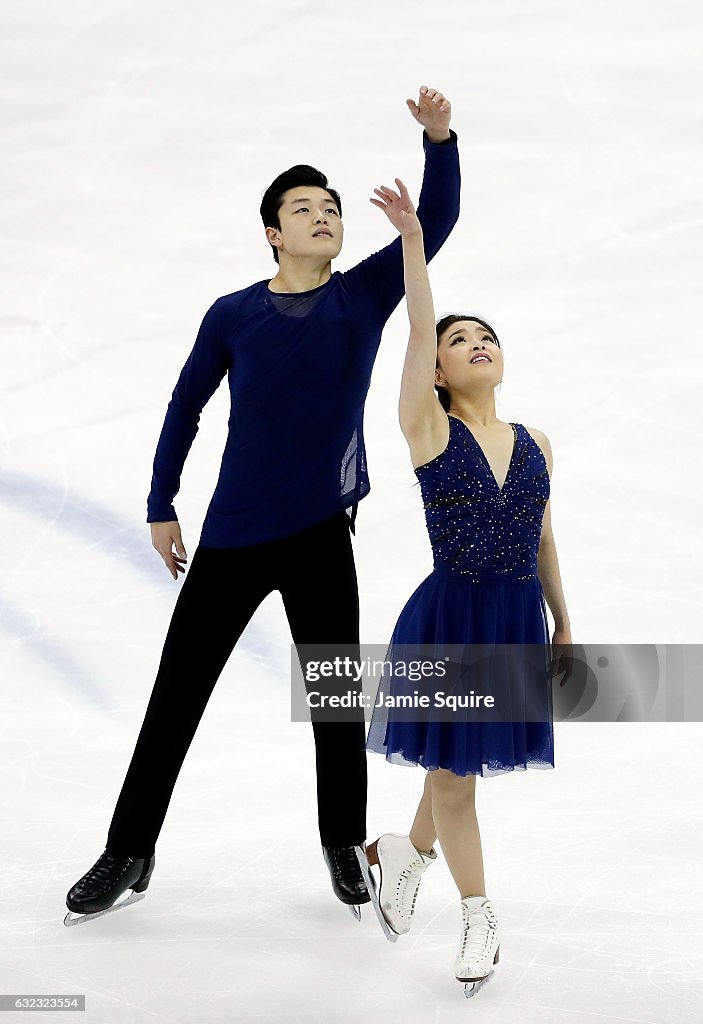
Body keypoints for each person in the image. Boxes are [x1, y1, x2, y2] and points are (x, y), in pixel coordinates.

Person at [64, 87, 461, 923]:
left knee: (333, 702)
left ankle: (340, 843)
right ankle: (128, 848)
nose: (323, 216)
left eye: (332, 208)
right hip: (234, 539)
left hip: (320, 537)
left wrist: (439, 141)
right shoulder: (233, 314)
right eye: (302, 208)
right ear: (273, 232)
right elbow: (186, 403)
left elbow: (442, 221)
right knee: (176, 696)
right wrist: (160, 499)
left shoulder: (361, 297)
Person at [362, 177, 572, 995]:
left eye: (487, 334)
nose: (475, 341)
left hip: (516, 616)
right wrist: (413, 239)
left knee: (455, 766)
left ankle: (401, 855)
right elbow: (417, 324)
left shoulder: (535, 440)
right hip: (450, 615)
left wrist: (562, 619)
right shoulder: (427, 428)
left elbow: (543, 531)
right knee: (454, 774)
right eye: (460, 340)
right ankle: (478, 914)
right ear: (439, 372)